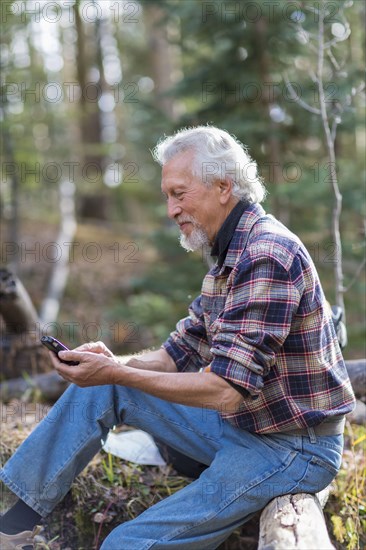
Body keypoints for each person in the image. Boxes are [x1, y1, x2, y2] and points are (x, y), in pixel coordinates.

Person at [0, 126, 356, 550]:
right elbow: (177, 353)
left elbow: (225, 390)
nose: (171, 209)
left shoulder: (267, 255)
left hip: (293, 449)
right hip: (244, 426)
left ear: (223, 186)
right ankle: (13, 527)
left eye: (179, 193)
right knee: (101, 387)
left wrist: (120, 373)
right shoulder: (230, 254)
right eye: (168, 195)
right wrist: (114, 365)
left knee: (126, 544)